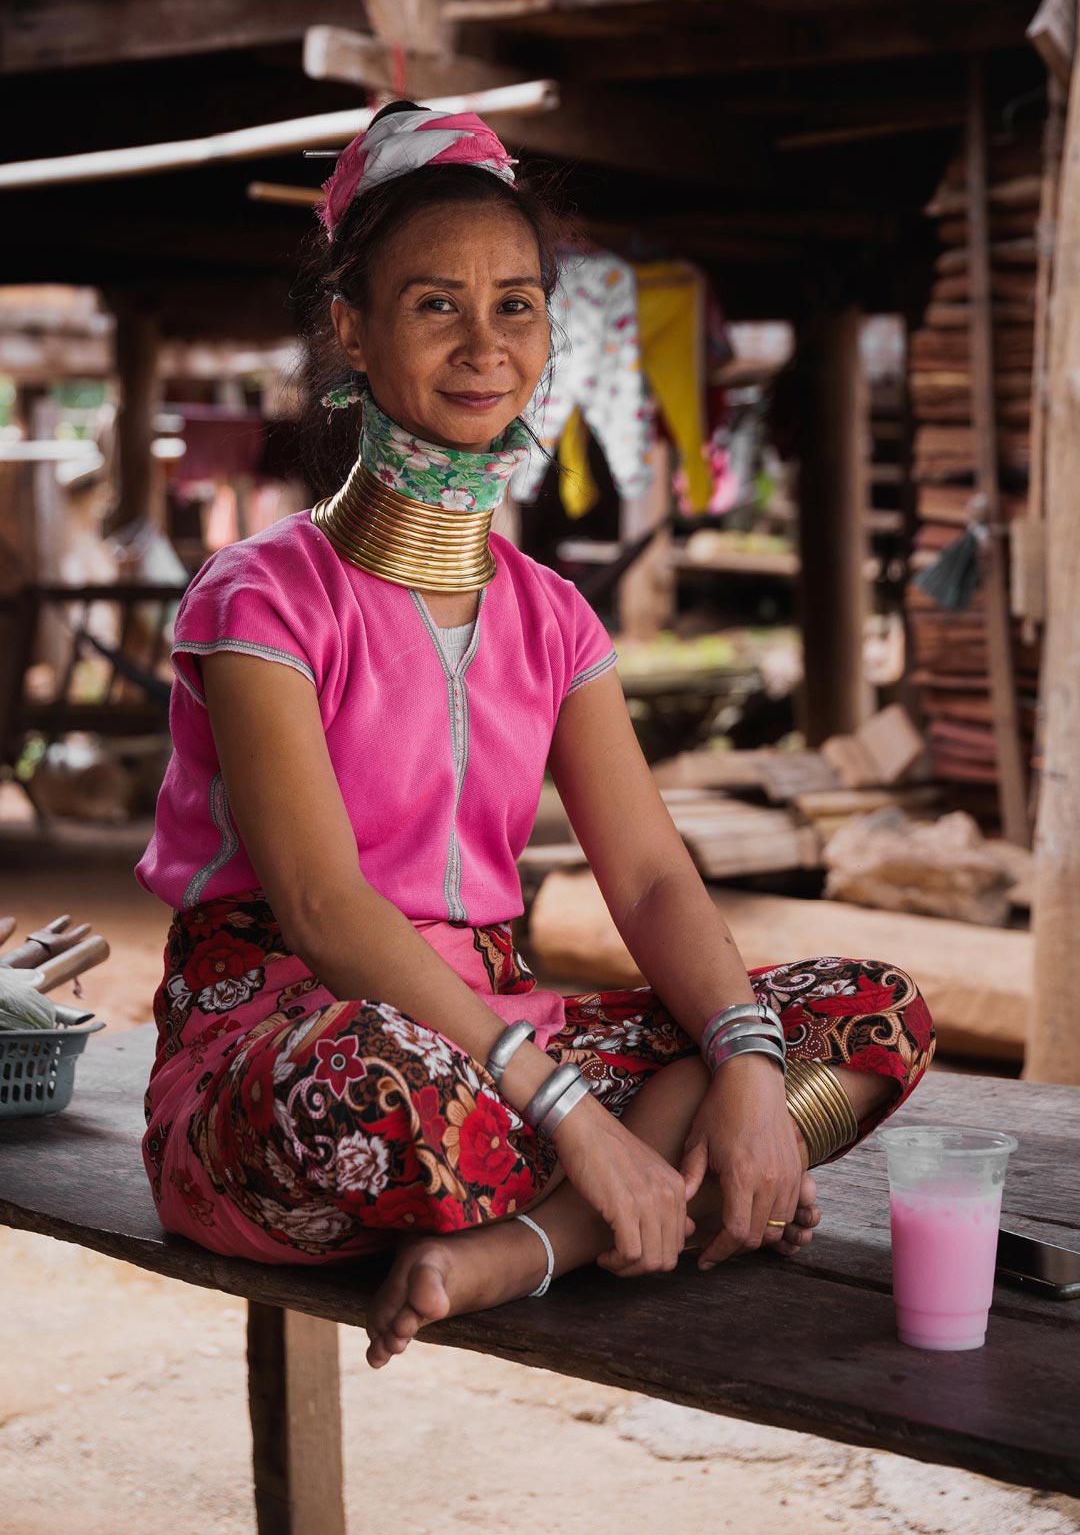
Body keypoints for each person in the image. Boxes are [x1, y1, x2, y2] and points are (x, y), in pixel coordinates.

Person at [136, 102, 935, 1370]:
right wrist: (575, 1108)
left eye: (516, 304)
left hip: (504, 1045)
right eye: (434, 304)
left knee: (860, 1013)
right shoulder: (261, 600)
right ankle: (636, 1189)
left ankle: (534, 1239)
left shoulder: (553, 617)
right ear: (351, 328)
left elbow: (657, 878)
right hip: (294, 1044)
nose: (484, 344)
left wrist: (737, 1065)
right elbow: (326, 907)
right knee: (367, 1088)